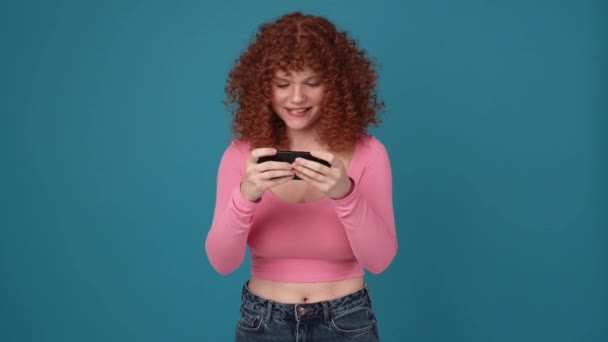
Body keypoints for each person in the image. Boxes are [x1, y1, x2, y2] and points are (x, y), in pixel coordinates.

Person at [205, 11, 397, 341]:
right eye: (283, 84)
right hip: (262, 322)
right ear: (264, 88)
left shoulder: (370, 154)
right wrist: (246, 195)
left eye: (311, 83)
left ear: (336, 86)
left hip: (346, 320)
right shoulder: (240, 156)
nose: (296, 98)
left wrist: (346, 194)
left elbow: (379, 260)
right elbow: (222, 262)